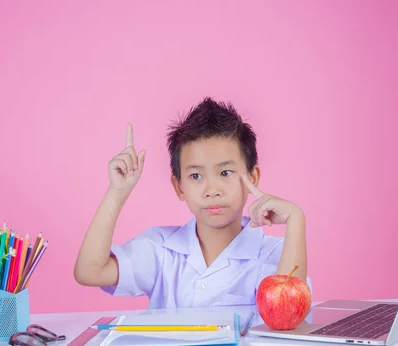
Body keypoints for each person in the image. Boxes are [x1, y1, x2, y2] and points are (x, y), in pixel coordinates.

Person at [74, 97, 310, 308]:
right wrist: (118, 191)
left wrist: (295, 220)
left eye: (225, 173)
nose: (212, 190)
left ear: (253, 178)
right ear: (179, 187)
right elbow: (90, 272)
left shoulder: (276, 254)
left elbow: (288, 311)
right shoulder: (161, 250)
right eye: (196, 176)